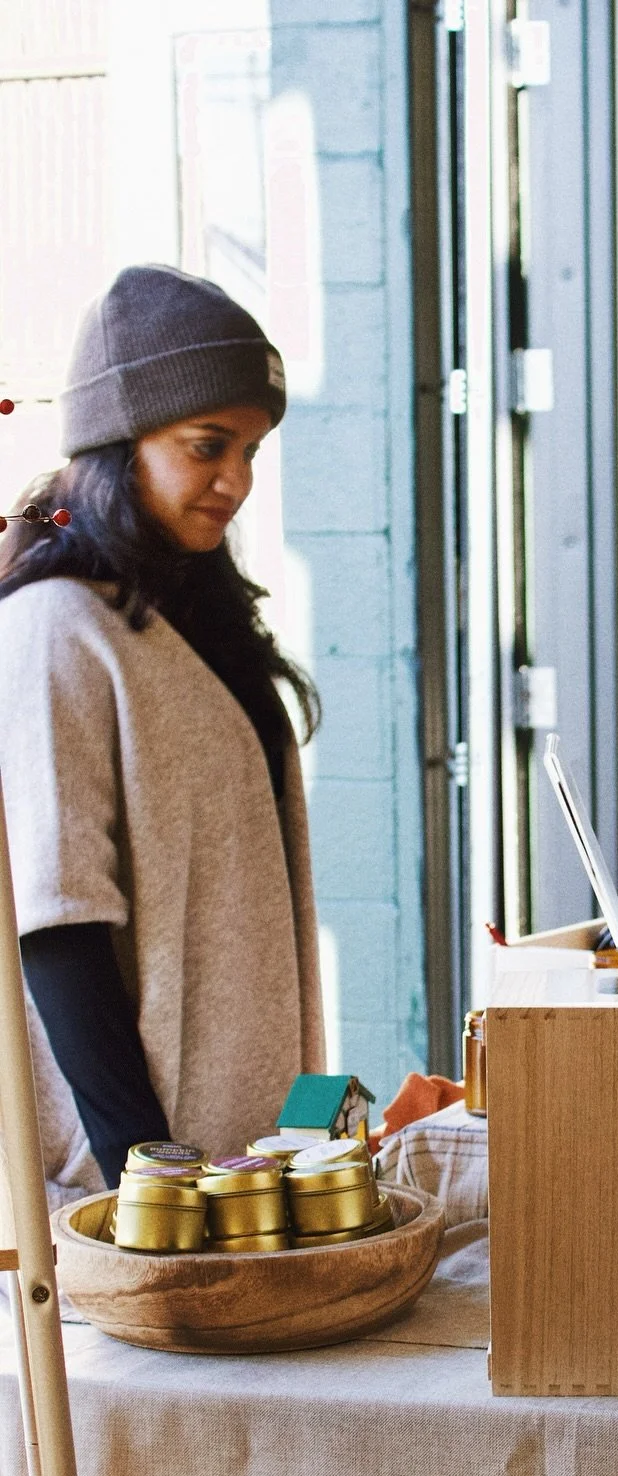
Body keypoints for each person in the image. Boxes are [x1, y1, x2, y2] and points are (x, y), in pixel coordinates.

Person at [0, 264, 325, 1203]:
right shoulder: (54, 627)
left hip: (240, 1168)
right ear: (115, 442)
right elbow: (58, 925)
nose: (237, 482)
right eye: (207, 445)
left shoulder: (189, 619)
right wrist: (149, 1183)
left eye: (253, 451)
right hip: (134, 1188)